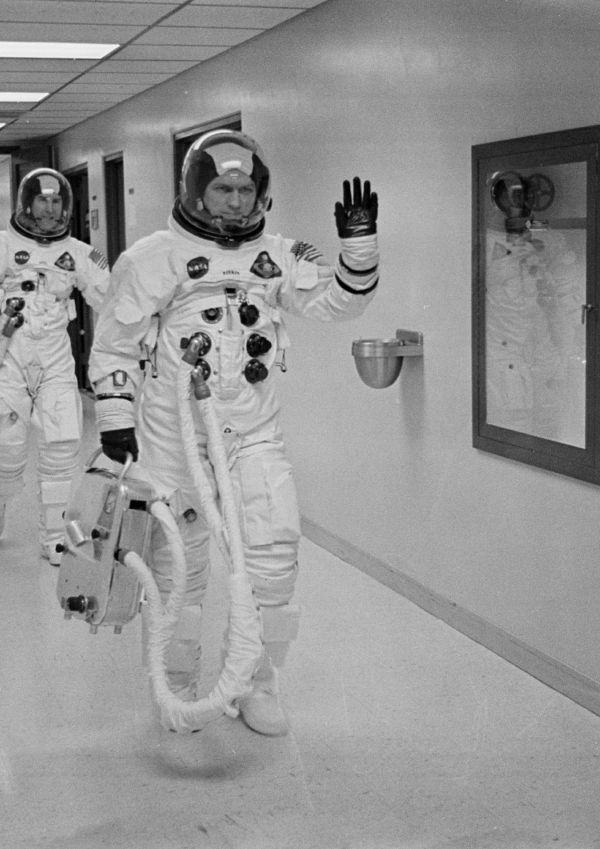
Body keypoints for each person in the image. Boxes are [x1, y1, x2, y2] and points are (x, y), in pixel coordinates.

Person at [88, 130, 379, 736]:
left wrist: (359, 249)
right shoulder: (151, 256)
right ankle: (183, 684)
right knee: (180, 572)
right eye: (222, 187)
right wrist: (116, 421)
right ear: (197, 189)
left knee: (274, 560)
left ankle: (256, 683)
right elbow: (115, 344)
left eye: (246, 188)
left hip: (250, 431)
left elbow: (336, 304)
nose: (235, 200)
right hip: (173, 437)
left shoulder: (281, 253)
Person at [0, 169, 110, 563]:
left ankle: (55, 536)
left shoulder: (81, 253)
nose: (50, 209)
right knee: (5, 447)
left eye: (57, 202)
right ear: (26, 203)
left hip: (55, 354)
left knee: (62, 444)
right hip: (8, 352)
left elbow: (113, 302)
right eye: (42, 200)